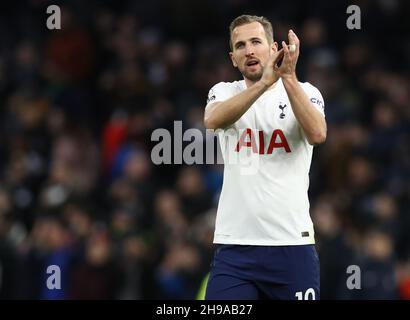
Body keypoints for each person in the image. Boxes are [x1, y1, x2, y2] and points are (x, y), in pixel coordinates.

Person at [203, 15, 327, 300]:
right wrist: (262, 85)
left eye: (256, 42)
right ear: (233, 58)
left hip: (291, 246)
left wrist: (288, 78)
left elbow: (318, 133)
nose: (249, 50)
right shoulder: (224, 92)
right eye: (241, 45)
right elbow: (212, 120)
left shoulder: (306, 91)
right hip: (234, 249)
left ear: (274, 49)